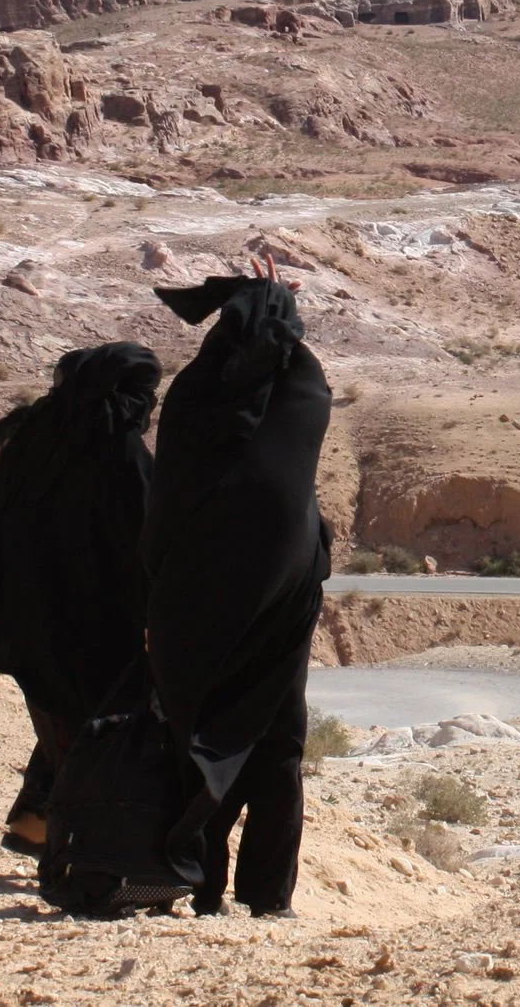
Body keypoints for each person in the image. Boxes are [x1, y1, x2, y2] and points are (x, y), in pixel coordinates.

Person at [0, 341, 161, 855]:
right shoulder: (121, 454)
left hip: (37, 622)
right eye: (143, 394)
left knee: (65, 726)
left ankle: (41, 827)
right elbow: (151, 543)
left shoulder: (41, 446)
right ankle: (80, 847)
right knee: (98, 733)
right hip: (103, 629)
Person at [145, 259, 332, 917]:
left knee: (203, 734)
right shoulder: (302, 393)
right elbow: (285, 351)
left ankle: (197, 882)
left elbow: (164, 505)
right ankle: (268, 896)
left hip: (195, 609)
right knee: (278, 743)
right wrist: (275, 301)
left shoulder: (196, 397)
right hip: (282, 606)